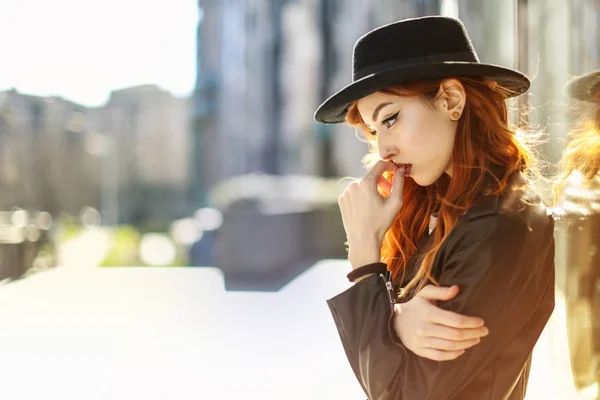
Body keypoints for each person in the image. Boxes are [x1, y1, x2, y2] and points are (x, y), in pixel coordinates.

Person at [314, 16, 555, 399]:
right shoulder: (439, 209)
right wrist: (395, 319)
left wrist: (364, 257)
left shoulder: (497, 224)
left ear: (451, 100)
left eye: (390, 118)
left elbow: (400, 393)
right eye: (376, 131)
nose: (383, 148)